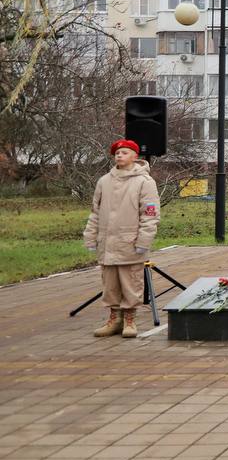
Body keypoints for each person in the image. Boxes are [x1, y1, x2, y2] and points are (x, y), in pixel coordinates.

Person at [82, 138, 160, 339]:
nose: (120, 155)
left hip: (131, 243)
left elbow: (150, 215)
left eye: (125, 152)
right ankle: (114, 319)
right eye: (117, 153)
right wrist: (90, 237)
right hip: (107, 243)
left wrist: (144, 241)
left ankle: (129, 320)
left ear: (135, 156)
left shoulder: (145, 182)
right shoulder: (104, 181)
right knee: (110, 285)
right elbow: (95, 212)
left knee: (131, 283)